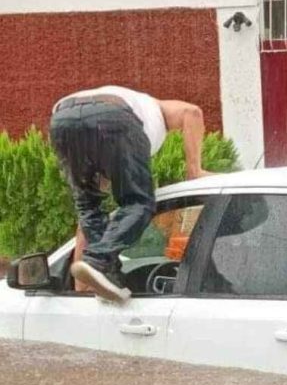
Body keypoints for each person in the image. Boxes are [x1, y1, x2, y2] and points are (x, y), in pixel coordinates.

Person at [49, 86, 209, 304]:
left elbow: (87, 224)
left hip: (62, 120)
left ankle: (105, 273)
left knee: (89, 206)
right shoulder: (156, 107)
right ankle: (100, 261)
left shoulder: (121, 118)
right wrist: (194, 170)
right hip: (113, 116)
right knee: (138, 203)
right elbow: (192, 112)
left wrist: (81, 293)